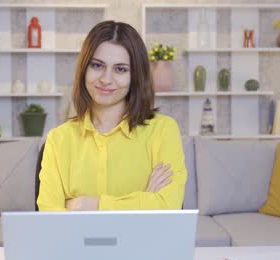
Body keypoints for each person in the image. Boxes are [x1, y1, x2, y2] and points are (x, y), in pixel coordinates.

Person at [37, 20, 187, 211]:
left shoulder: (163, 131)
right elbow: (51, 221)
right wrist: (144, 202)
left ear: (136, 76)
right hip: (75, 242)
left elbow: (168, 207)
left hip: (144, 242)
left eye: (120, 69)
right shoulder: (58, 140)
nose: (106, 79)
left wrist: (88, 204)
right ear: (84, 69)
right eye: (97, 66)